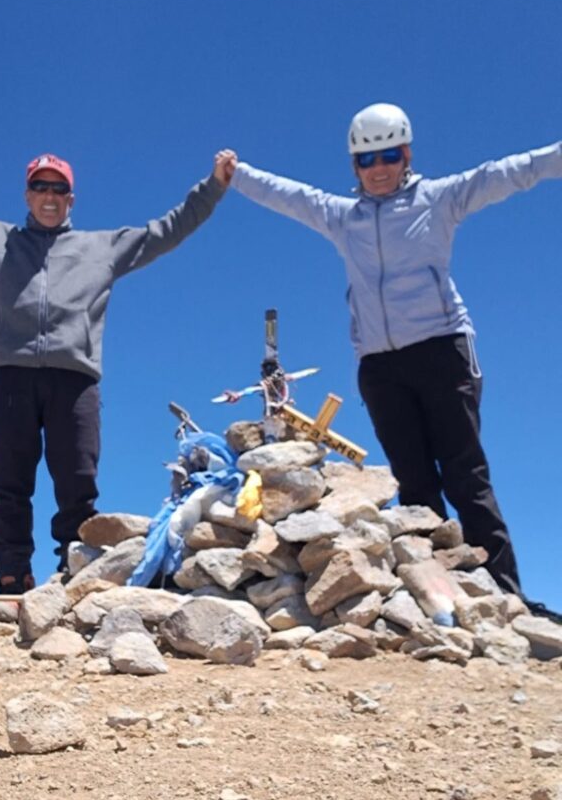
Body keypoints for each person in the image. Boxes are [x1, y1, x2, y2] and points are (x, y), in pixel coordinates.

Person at [0, 90, 236, 594]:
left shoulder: (102, 249)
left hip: (74, 382)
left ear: (72, 199)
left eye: (59, 188)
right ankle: (12, 577)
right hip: (8, 377)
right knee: (9, 485)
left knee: (78, 484)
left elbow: (167, 230)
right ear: (27, 194)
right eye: (40, 186)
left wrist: (211, 189)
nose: (50, 195)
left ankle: (74, 572)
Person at [221, 103, 562, 615]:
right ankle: (439, 600)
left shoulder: (439, 199)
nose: (378, 167)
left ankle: (507, 599)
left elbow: (506, 173)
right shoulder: (343, 217)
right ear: (354, 165)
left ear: (406, 154)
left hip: (443, 348)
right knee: (413, 480)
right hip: (380, 364)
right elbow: (289, 196)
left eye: (389, 154)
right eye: (366, 159)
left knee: (465, 473)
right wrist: (238, 175)